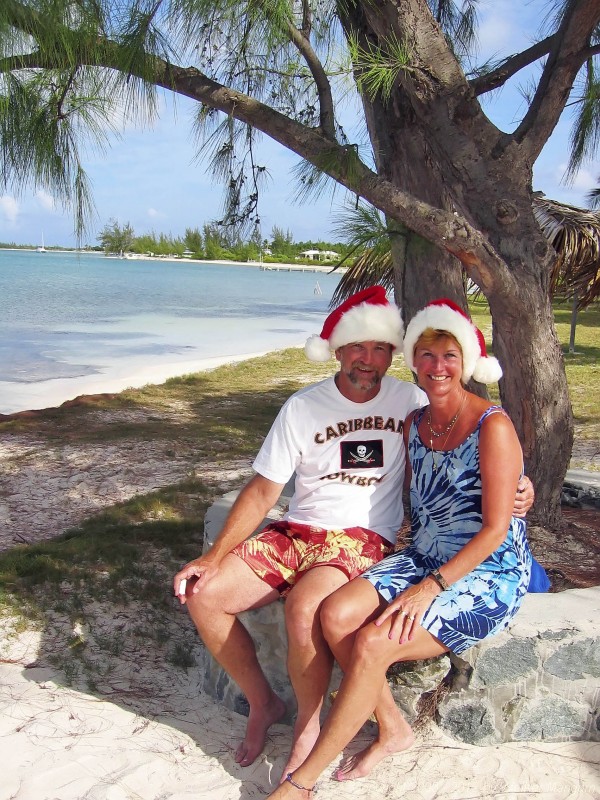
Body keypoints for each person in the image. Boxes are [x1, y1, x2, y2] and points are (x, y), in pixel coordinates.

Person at [173, 289, 533, 780]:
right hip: (297, 530)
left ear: (392, 355)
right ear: (337, 350)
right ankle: (263, 703)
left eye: (380, 348)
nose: (368, 360)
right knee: (204, 595)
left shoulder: (411, 399)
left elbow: (476, 450)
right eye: (357, 348)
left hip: (362, 538)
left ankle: (308, 726)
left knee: (306, 608)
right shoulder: (305, 407)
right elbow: (262, 491)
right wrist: (214, 556)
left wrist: (520, 488)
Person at [266, 298, 538, 799]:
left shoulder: (492, 427)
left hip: (486, 571)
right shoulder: (415, 421)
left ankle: (302, 784)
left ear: (469, 362)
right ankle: (393, 729)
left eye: (450, 356)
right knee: (335, 613)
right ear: (412, 360)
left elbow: (495, 530)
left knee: (373, 642)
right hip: (422, 554)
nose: (438, 368)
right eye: (427, 356)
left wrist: (427, 590)